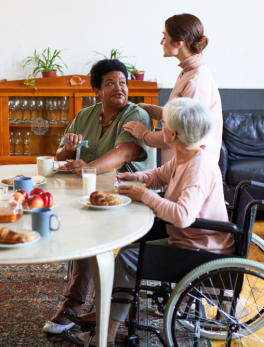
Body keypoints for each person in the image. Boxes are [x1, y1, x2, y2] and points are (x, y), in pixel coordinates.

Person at [63, 98, 234, 345]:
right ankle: (107, 315)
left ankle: (106, 334)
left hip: (199, 250)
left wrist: (145, 195)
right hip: (189, 240)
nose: (158, 129)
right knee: (131, 248)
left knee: (127, 257)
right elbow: (158, 176)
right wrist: (133, 176)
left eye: (161, 125)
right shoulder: (188, 154)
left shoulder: (198, 167)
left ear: (172, 134)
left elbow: (183, 216)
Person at [43, 59, 156, 335]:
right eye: (110, 83)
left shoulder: (136, 114)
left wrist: (90, 167)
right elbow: (60, 155)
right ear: (97, 90)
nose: (119, 88)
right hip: (92, 195)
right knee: (68, 219)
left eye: (123, 82)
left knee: (88, 230)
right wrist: (69, 150)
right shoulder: (85, 116)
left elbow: (126, 153)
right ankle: (91, 301)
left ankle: (74, 304)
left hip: (131, 198)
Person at [124, 13, 223, 165]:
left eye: (164, 36)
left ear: (179, 43)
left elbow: (181, 133)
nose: (161, 42)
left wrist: (143, 134)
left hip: (192, 168)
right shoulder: (188, 72)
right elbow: (177, 118)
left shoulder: (196, 82)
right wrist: (147, 108)